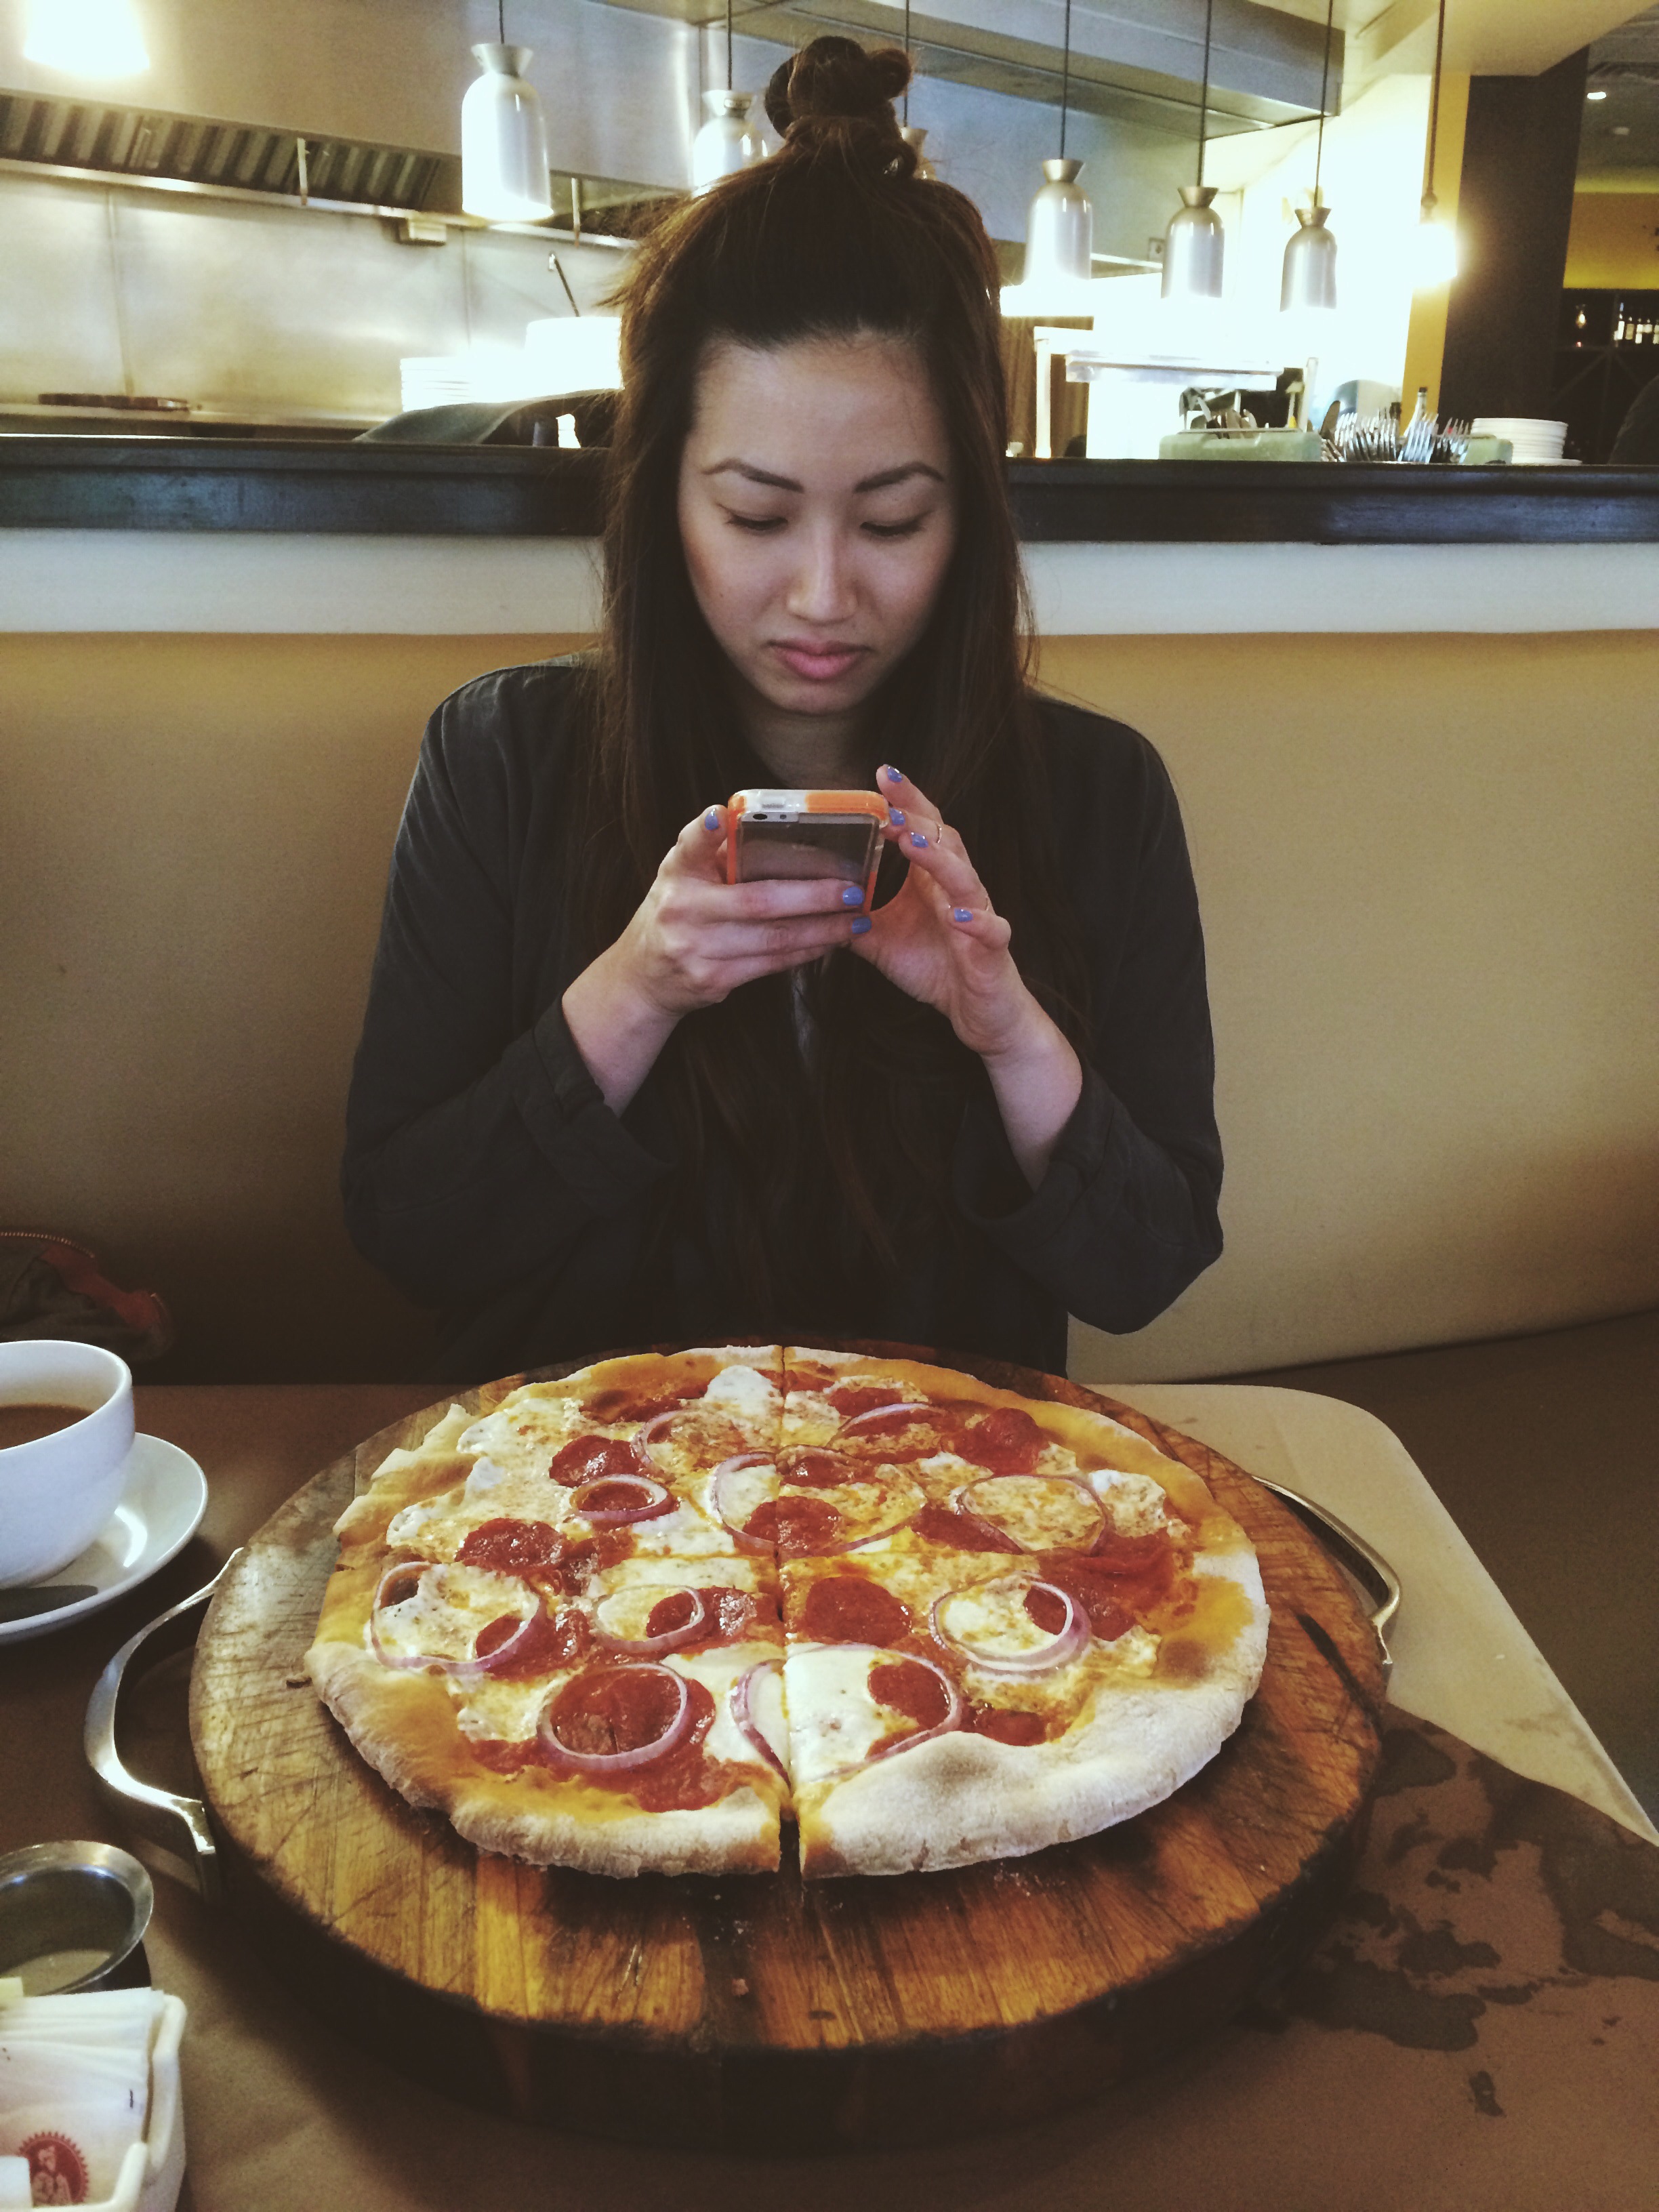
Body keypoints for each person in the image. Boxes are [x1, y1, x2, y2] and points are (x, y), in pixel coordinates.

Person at [342, 36, 1222, 1384]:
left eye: (893, 517)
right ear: (665, 498)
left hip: (954, 1529)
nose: (822, 593)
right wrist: (639, 988)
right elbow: (412, 1238)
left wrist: (1007, 1030)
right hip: (567, 1512)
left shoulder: (1098, 792)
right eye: (756, 513)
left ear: (970, 517)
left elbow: (1148, 1269)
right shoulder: (502, 760)